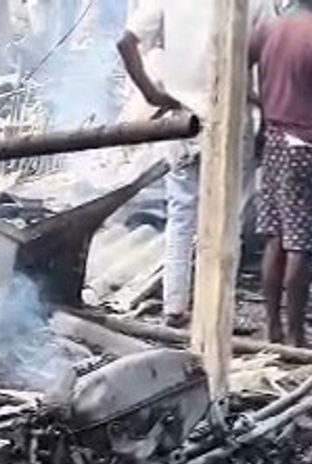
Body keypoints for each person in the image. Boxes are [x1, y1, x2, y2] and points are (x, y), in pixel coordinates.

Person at [117, 0, 275, 328]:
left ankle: (174, 306)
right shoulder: (254, 3)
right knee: (228, 222)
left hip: (183, 121)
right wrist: (266, 117)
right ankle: (216, 312)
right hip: (231, 122)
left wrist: (152, 94)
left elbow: (126, 42)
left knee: (181, 216)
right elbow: (270, 60)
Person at [251, 1, 312, 347]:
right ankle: (296, 335)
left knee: (276, 236)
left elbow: (242, 67)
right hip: (304, 141)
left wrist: (262, 108)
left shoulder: (271, 28)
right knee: (301, 243)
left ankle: (273, 327)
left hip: (274, 136)